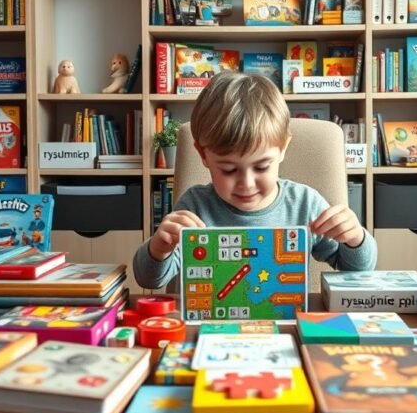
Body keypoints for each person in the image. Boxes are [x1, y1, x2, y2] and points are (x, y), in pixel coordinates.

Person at [133, 72, 377, 291]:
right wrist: (158, 248)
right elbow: (149, 280)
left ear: (283, 148)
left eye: (261, 167)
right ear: (203, 155)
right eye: (228, 170)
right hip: (215, 331)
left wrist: (356, 239)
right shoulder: (195, 205)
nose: (246, 184)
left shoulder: (305, 203)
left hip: (284, 329)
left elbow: (357, 271)